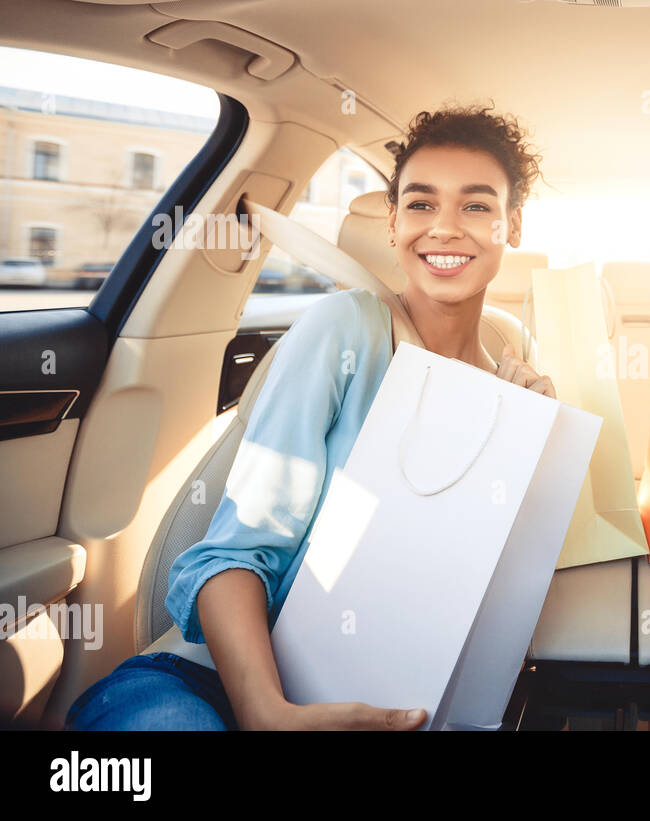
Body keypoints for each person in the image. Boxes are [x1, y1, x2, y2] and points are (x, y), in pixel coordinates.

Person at [65, 104, 554, 731]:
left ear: (512, 225)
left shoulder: (514, 392)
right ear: (394, 222)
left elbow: (485, 603)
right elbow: (231, 557)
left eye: (477, 206)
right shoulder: (346, 329)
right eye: (421, 203)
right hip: (213, 685)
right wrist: (266, 712)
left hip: (392, 702)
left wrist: (530, 448)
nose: (445, 228)